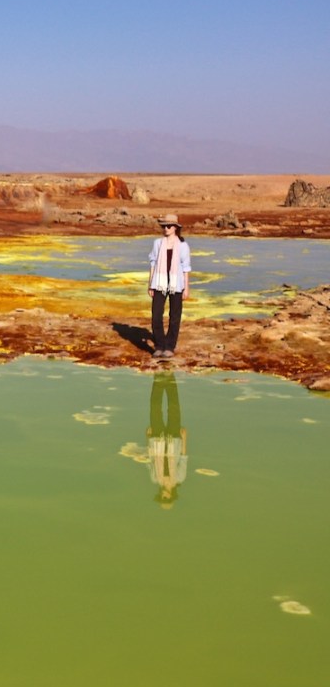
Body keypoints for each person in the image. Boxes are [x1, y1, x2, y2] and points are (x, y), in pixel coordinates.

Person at [147, 213, 191, 359]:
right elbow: (152, 263)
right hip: (159, 283)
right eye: (164, 226)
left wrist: (186, 287)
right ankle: (159, 346)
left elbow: (186, 268)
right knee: (156, 316)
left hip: (176, 284)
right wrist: (150, 285)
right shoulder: (158, 243)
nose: (166, 229)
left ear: (175, 228)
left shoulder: (183, 246)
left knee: (174, 316)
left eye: (169, 226)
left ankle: (169, 347)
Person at [146, 371, 187, 508]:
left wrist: (147, 439)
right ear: (171, 496)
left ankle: (158, 379)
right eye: (166, 498)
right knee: (174, 408)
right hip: (174, 440)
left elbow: (150, 459)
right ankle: (169, 378)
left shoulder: (155, 479)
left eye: (162, 498)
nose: (163, 496)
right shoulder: (179, 478)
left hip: (156, 440)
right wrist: (184, 438)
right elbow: (183, 458)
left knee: (154, 408)